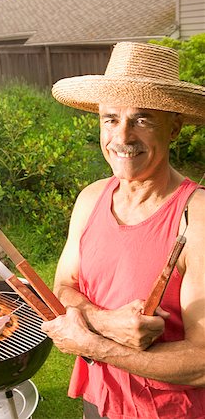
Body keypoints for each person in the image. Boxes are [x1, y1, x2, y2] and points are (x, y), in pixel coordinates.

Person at [41, 41, 205, 419]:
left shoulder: (194, 220)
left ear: (175, 126)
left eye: (142, 119)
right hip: (99, 399)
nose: (123, 137)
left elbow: (201, 362)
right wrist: (104, 321)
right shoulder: (90, 199)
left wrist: (95, 345)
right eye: (111, 119)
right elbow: (64, 287)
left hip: (169, 411)